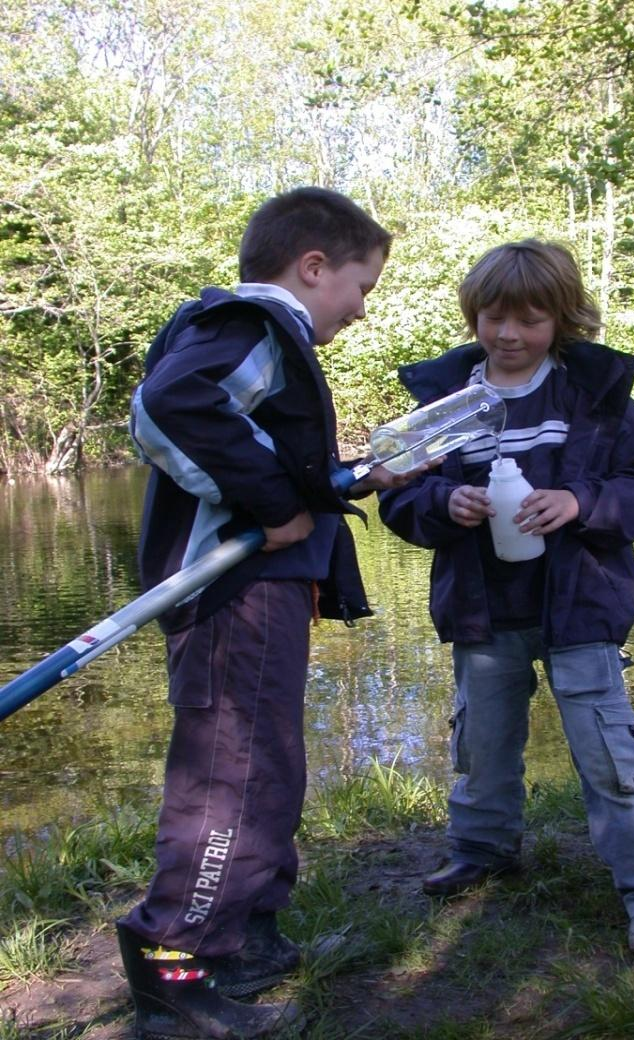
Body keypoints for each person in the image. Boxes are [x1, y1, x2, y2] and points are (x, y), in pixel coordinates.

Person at [120, 187, 423, 1039]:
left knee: (269, 765)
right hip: (232, 596)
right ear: (312, 266)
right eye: (361, 288)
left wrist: (351, 477)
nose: (362, 311)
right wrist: (268, 505)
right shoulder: (252, 328)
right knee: (230, 775)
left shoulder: (273, 341)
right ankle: (173, 972)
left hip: (269, 593)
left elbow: (277, 458)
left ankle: (246, 935)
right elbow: (172, 408)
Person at [378, 239, 634, 955]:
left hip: (580, 605)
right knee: (481, 742)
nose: (509, 335)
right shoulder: (444, 403)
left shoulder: (594, 395)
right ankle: (483, 849)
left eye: (530, 319)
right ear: (474, 317)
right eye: (494, 317)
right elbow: (398, 493)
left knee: (610, 750)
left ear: (562, 320)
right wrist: (441, 501)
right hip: (482, 608)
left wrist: (578, 502)